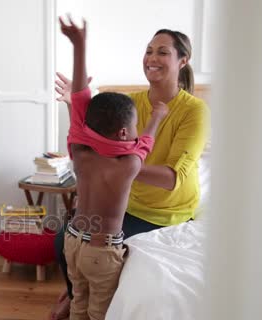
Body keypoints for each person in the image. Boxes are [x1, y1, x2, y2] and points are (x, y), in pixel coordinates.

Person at [50, 22, 211, 320]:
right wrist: (73, 103)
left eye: (162, 52)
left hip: (166, 210)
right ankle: (75, 297)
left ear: (182, 61)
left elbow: (174, 178)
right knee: (63, 239)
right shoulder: (130, 103)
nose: (152, 57)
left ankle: (84, 304)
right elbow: (88, 131)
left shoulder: (193, 110)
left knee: (99, 251)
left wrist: (116, 166)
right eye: (149, 51)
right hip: (126, 202)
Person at [58, 16, 168, 320]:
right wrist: (157, 116)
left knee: (78, 302)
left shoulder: (78, 151)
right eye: (133, 126)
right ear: (123, 133)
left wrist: (78, 45)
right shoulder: (129, 164)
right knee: (100, 312)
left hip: (73, 241)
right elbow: (146, 142)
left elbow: (80, 98)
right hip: (102, 250)